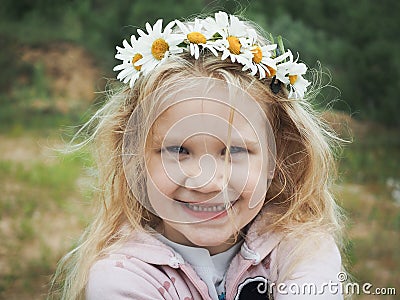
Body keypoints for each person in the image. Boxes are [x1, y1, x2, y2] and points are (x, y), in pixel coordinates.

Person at [51, 11, 345, 300]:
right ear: (136, 160)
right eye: (179, 151)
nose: (207, 183)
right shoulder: (121, 278)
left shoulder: (303, 250)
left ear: (274, 158)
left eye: (235, 150)